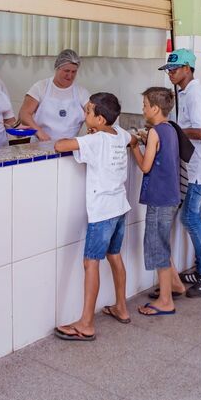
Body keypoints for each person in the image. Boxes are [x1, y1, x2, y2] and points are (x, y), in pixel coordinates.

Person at [53, 93, 131, 341]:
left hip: (102, 212)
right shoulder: (120, 134)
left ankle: (86, 323)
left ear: (99, 118)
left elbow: (60, 145)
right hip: (120, 206)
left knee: (91, 263)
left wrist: (86, 136)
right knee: (114, 256)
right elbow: (134, 137)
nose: (83, 115)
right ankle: (121, 306)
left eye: (87, 112)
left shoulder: (95, 141)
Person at [158, 48, 201, 298]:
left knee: (190, 219)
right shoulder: (188, 92)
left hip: (199, 169)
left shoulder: (193, 94)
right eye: (169, 70)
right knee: (190, 218)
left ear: (187, 69)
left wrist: (171, 130)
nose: (170, 74)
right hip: (196, 167)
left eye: (174, 69)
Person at [129, 87, 181, 316]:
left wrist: (133, 148)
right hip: (170, 195)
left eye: (144, 105)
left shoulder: (154, 133)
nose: (143, 109)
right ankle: (176, 284)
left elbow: (146, 166)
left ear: (155, 108)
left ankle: (166, 300)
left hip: (159, 197)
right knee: (162, 241)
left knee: (158, 245)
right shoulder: (169, 129)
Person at [18, 49, 89, 142]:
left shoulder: (81, 92)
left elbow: (93, 114)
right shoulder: (41, 87)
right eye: (66, 71)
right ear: (57, 68)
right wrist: (39, 132)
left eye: (73, 72)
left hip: (69, 148)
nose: (70, 75)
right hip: (40, 146)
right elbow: (24, 114)